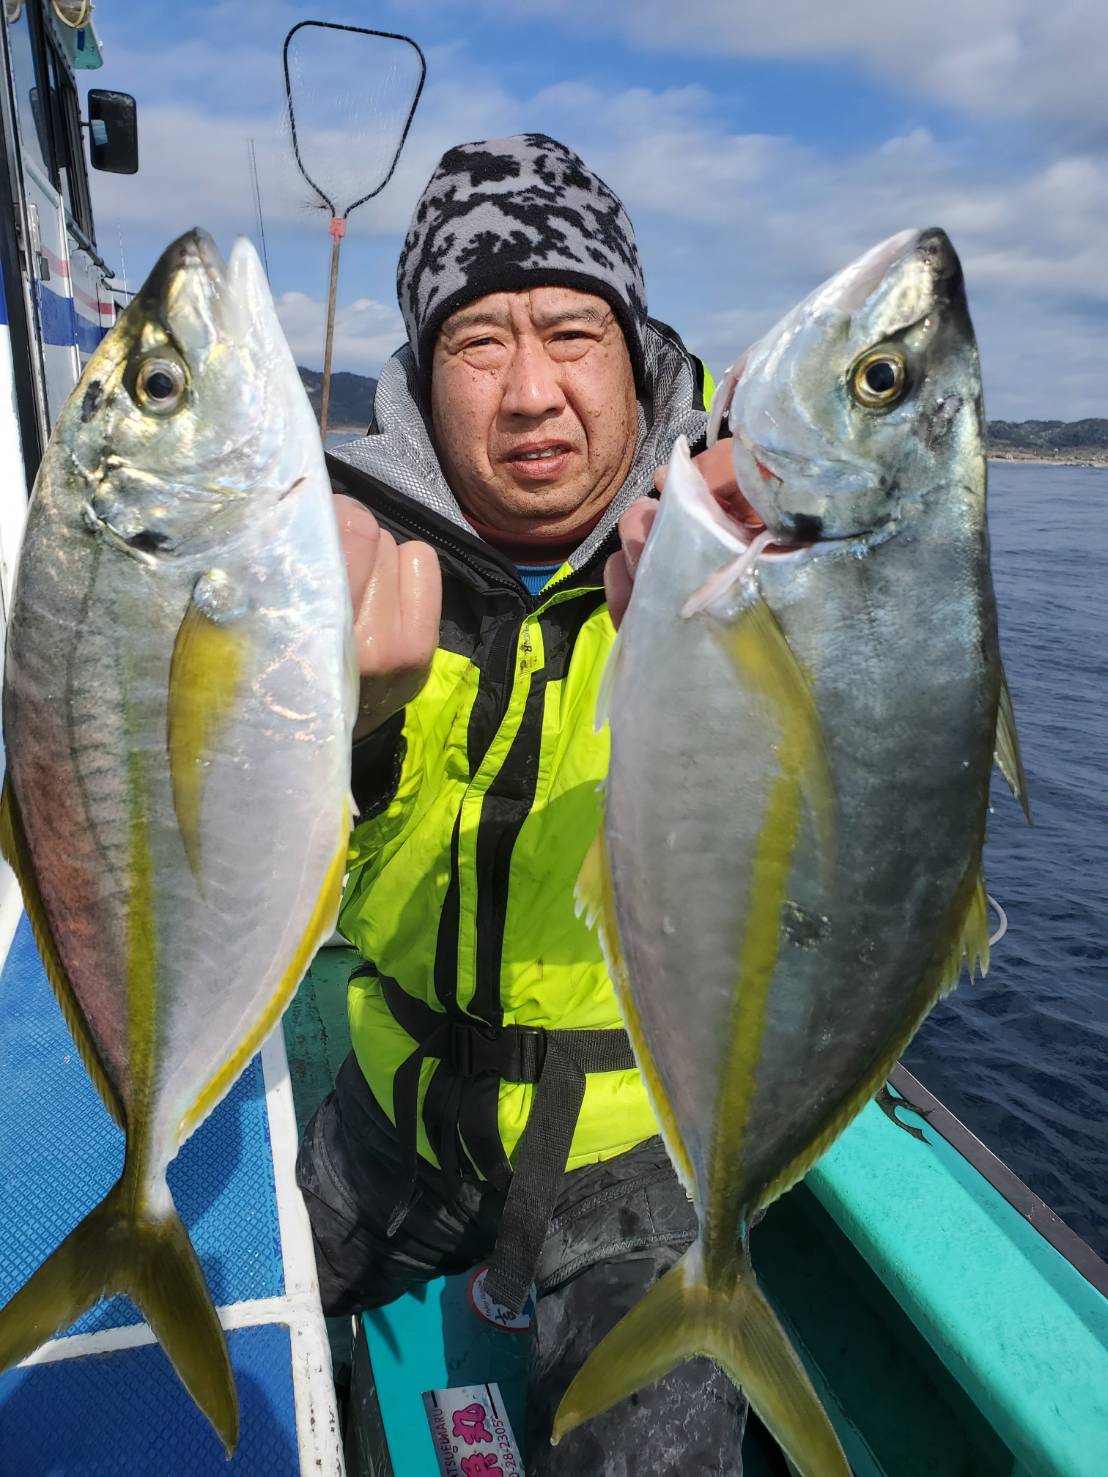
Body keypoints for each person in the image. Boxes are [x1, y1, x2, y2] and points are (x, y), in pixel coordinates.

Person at [295, 133, 745, 1476]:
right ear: (421, 374)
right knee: (174, 1353)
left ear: (638, 354)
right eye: (480, 341)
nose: (532, 391)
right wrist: (347, 729)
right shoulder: (341, 554)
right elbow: (260, 884)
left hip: (634, 1153)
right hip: (393, 1111)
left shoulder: (740, 552)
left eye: (572, 332)